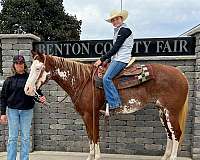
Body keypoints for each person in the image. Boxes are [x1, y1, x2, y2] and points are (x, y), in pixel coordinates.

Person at [0, 55, 46, 160]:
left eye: (21, 63)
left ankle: (24, 158)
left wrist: (41, 99)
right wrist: (3, 113)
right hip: (12, 111)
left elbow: (36, 93)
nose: (19, 65)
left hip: (27, 111)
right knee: (12, 138)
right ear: (14, 65)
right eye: (17, 63)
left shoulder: (31, 78)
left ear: (24, 64)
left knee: (25, 138)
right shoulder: (9, 80)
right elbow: (3, 98)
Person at [94, 10, 134, 116]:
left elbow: (116, 48)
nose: (115, 21)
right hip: (117, 58)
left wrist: (101, 59)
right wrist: (107, 60)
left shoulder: (124, 30)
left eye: (117, 19)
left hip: (122, 59)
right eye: (113, 20)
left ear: (122, 19)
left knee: (106, 78)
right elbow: (115, 51)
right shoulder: (118, 31)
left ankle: (115, 104)